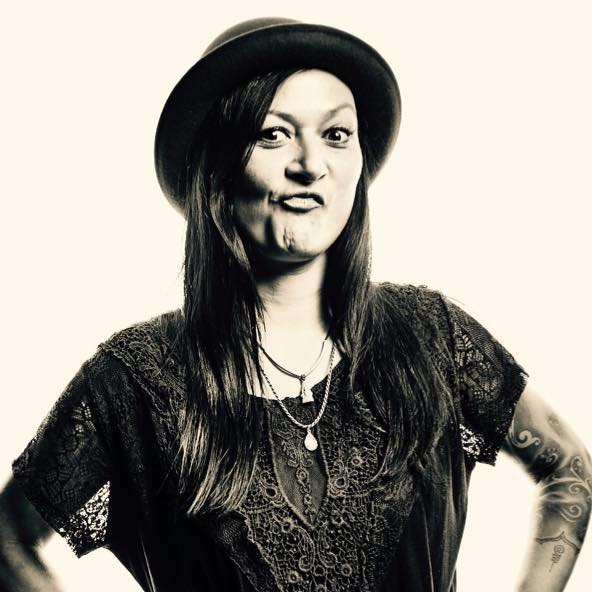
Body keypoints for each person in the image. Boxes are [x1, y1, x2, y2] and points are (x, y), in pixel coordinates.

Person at [1, 16, 590, 592]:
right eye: (272, 133)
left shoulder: (431, 335)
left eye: (336, 134)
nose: (310, 165)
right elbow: (6, 540)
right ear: (217, 167)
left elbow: (569, 469)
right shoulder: (135, 380)